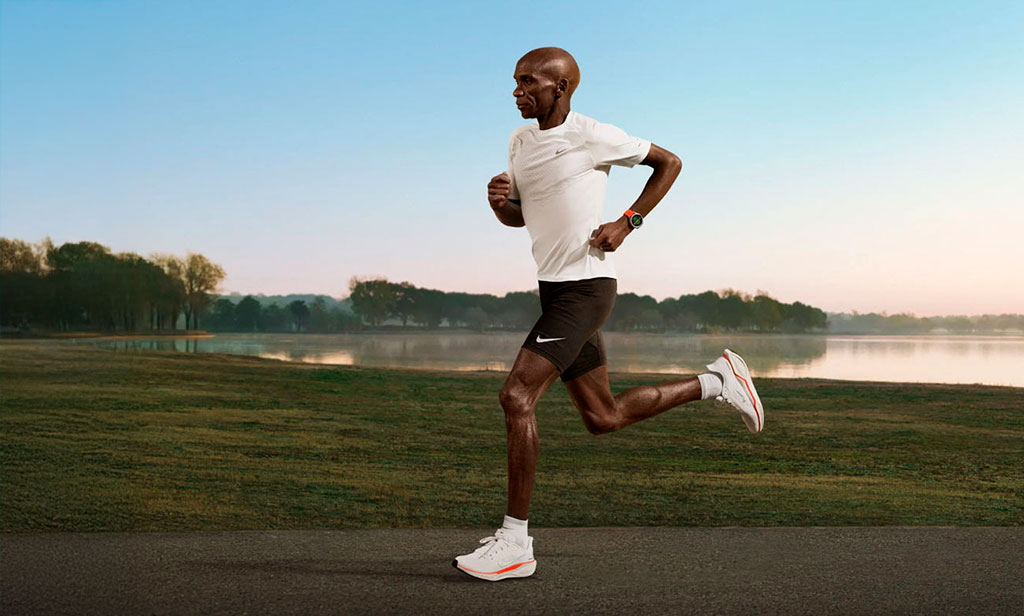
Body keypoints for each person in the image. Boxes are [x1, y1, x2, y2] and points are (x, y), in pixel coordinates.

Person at [453, 47, 764, 582]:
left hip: (586, 290)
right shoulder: (520, 140)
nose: (516, 91)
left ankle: (515, 543)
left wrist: (627, 222)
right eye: (514, 81)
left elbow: (670, 162)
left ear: (561, 87)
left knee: (515, 396)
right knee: (603, 417)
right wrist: (498, 202)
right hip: (555, 292)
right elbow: (520, 216)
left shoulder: (594, 135)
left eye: (527, 82)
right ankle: (716, 381)